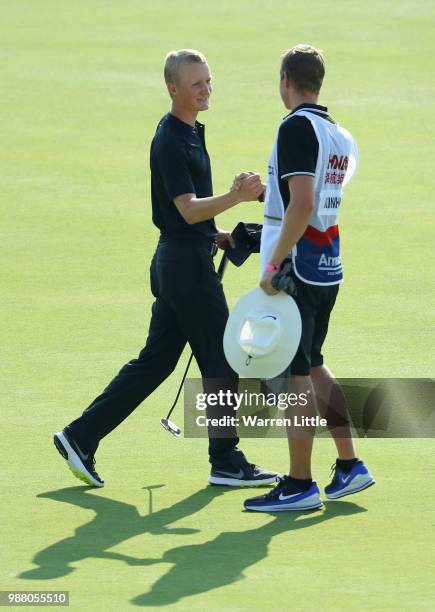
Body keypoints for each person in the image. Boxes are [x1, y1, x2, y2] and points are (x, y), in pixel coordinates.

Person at [54, 49, 278, 489]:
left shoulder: (191, 131)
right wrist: (236, 196)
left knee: (155, 362)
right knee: (224, 357)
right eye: (196, 84)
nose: (205, 90)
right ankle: (226, 459)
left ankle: (79, 436)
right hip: (184, 268)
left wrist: (218, 234)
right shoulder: (171, 140)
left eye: (209, 81)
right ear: (173, 88)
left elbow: (192, 217)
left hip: (182, 259)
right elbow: (188, 209)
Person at [244, 45, 375, 512]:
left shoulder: (296, 127)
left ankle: (300, 483)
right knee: (315, 365)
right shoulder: (340, 134)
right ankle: (349, 465)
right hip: (327, 264)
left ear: (285, 80)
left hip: (297, 269)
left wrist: (273, 264)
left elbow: (301, 205)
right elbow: (313, 199)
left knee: (295, 374)